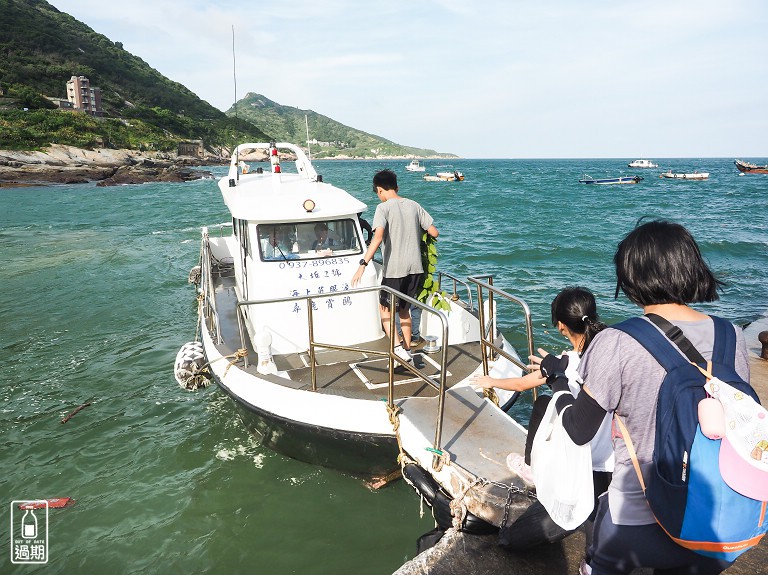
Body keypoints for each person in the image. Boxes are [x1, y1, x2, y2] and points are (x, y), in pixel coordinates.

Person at [537, 220, 749, 575]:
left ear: (632, 279)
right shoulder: (733, 337)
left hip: (636, 521)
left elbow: (578, 430)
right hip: (717, 519)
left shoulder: (618, 342)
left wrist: (558, 380)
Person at [471, 286, 613, 572]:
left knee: (514, 540)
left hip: (581, 462)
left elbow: (523, 384)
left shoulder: (568, 364)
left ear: (561, 326)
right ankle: (593, 563)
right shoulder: (610, 355)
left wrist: (491, 381)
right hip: (612, 459)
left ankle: (532, 470)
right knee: (599, 516)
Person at [351, 169, 438, 365]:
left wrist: (363, 264)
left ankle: (398, 350)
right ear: (396, 187)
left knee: (385, 311)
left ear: (380, 190)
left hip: (394, 270)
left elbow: (378, 236)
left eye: (378, 193)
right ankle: (407, 351)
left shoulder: (383, 209)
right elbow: (434, 232)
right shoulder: (414, 205)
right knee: (404, 311)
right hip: (415, 268)